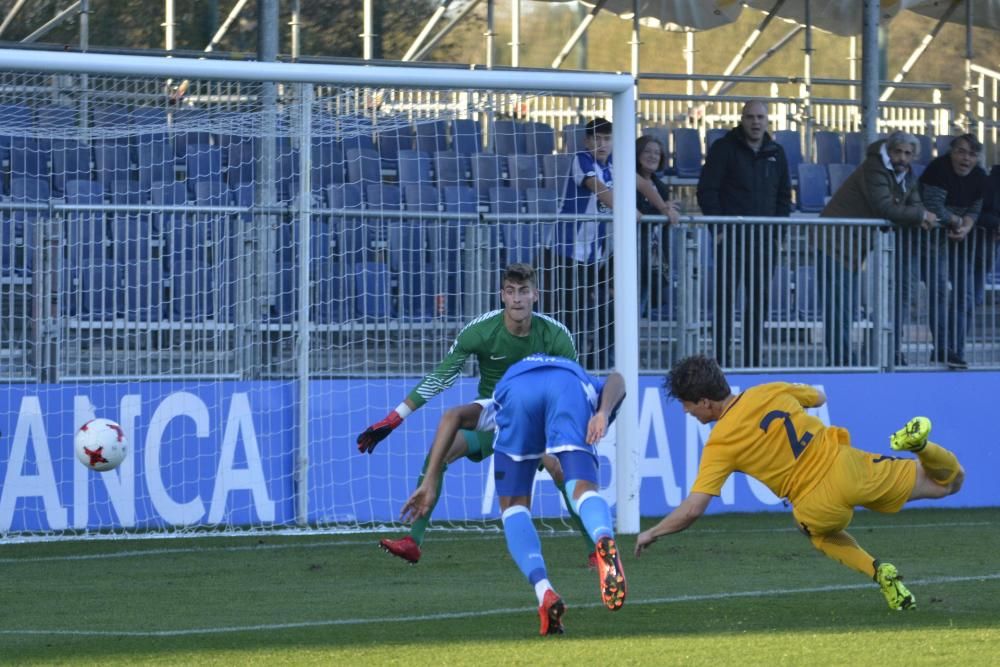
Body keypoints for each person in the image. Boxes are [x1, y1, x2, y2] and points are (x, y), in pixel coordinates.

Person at [634, 355, 964, 611]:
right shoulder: (768, 391)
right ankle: (921, 446)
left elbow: (693, 509)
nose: (686, 411)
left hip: (814, 503)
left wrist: (653, 531)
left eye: (688, 405)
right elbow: (819, 398)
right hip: (847, 466)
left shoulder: (720, 444)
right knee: (947, 484)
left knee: (816, 532)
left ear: (705, 402)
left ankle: (879, 572)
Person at [357, 264, 597, 566]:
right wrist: (395, 418)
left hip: (538, 420)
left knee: (561, 469)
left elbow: (574, 386)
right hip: (492, 417)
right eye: (511, 292)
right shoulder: (480, 332)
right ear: (502, 296)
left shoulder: (555, 335)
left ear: (536, 295)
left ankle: (595, 549)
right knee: (439, 451)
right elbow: (442, 377)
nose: (517, 299)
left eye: (524, 291)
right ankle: (412, 541)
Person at [401, 354, 628, 635]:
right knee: (582, 490)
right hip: (567, 385)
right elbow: (618, 380)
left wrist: (431, 479)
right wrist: (603, 413)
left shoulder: (499, 397)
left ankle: (544, 592)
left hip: (516, 393)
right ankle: (603, 537)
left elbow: (451, 416)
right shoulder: (586, 386)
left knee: (514, 508)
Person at [818, 131, 937, 367]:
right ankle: (841, 364)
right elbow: (885, 208)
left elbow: (914, 203)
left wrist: (920, 214)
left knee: (845, 309)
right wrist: (921, 216)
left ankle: (845, 363)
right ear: (889, 150)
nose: (902, 158)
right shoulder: (875, 168)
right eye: (898, 151)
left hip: (852, 245)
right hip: (834, 240)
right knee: (838, 310)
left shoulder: (906, 175)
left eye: (907, 154)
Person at [697, 100, 792, 368]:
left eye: (760, 117)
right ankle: (722, 360)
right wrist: (719, 230)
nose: (755, 122)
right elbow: (707, 190)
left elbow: (785, 196)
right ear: (742, 119)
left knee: (758, 300)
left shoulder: (777, 152)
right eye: (750, 117)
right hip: (731, 238)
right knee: (725, 300)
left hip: (764, 240)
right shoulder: (724, 148)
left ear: (767, 120)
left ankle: (752, 360)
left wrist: (777, 234)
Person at [544, 117, 615, 370]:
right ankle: (551, 364)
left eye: (607, 138)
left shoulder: (615, 166)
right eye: (597, 138)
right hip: (562, 250)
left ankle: (572, 365)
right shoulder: (582, 159)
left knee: (581, 313)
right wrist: (628, 208)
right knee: (557, 312)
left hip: (591, 255)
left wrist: (661, 205)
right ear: (587, 141)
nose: (602, 144)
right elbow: (598, 189)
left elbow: (639, 182)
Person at [918, 134, 987, 370]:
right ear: (951, 152)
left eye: (972, 154)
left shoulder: (980, 176)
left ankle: (957, 350)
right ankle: (942, 348)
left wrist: (966, 226)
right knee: (938, 294)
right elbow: (933, 205)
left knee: (965, 296)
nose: (966, 158)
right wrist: (957, 221)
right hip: (934, 239)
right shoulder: (938, 169)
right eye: (961, 152)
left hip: (961, 240)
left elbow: (977, 207)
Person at [635, 135, 681, 320]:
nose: (653, 156)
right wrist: (662, 209)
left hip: (651, 257)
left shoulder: (661, 187)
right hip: (630, 255)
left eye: (657, 153)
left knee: (640, 307)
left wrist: (669, 209)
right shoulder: (625, 180)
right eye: (647, 151)